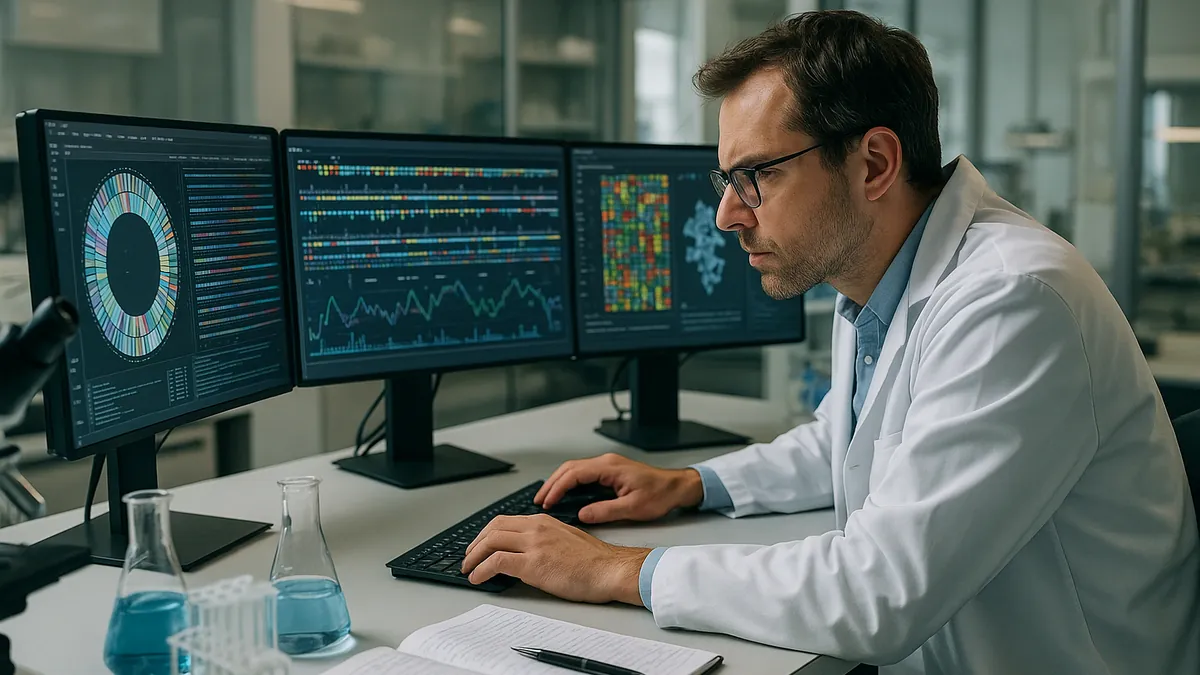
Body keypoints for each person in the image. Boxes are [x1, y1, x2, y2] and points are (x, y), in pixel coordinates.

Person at [461, 10, 1200, 674]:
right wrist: (693, 484)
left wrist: (620, 571)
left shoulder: (1013, 299)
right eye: (727, 178)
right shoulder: (881, 279)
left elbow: (879, 593)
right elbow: (843, 443)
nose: (726, 215)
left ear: (874, 163)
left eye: (754, 177)